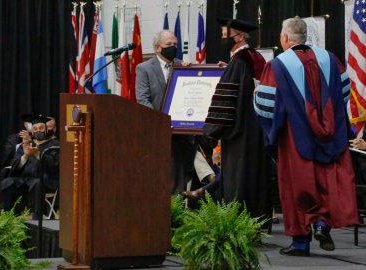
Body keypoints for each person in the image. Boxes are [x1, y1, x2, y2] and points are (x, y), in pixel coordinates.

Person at [254, 17, 358, 256]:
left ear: (285, 38)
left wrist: (255, 97)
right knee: (325, 179)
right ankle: (322, 223)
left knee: (296, 184)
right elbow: (344, 93)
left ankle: (301, 242)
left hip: (294, 136)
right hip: (331, 134)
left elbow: (267, 107)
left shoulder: (278, 65)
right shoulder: (330, 59)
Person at [203, 18, 272, 221]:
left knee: (239, 177)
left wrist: (211, 131)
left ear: (240, 37)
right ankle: (256, 221)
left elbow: (227, 101)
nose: (223, 40)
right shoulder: (255, 57)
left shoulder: (240, 62)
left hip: (239, 133)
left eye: (226, 36)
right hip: (257, 131)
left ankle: (236, 222)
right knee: (255, 175)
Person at [135, 30, 196, 194]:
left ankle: (181, 206)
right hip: (158, 131)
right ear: (157, 48)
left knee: (183, 174)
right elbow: (142, 99)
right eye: (169, 45)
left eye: (175, 44)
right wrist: (161, 121)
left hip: (183, 132)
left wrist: (193, 74)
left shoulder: (182, 65)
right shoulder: (144, 68)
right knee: (164, 176)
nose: (173, 47)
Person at [0, 114, 59, 216]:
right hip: (25, 179)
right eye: (35, 128)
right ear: (31, 131)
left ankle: (36, 217)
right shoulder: (26, 144)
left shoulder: (55, 145)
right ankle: (1, 215)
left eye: (41, 128)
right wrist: (25, 156)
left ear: (46, 129)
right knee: (7, 182)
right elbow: (14, 165)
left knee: (37, 183)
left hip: (46, 180)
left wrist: (38, 154)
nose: (38, 131)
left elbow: (55, 167)